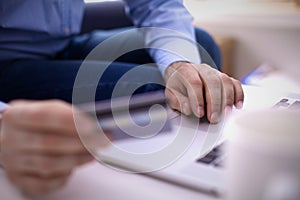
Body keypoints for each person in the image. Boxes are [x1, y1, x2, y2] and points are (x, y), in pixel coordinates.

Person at [0, 0, 244, 196]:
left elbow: (156, 3)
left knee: (202, 46)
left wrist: (180, 63)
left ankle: (200, 153)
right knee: (155, 89)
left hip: (61, 42)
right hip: (7, 63)